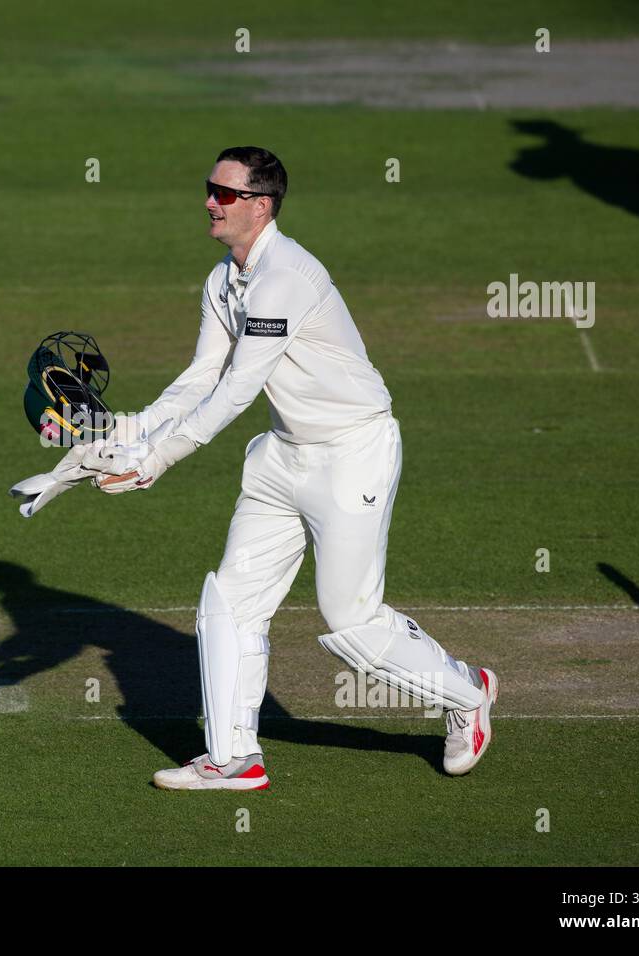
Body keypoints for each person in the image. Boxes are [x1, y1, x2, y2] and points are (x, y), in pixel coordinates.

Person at [94, 146, 497, 790]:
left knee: (352, 621)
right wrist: (127, 433)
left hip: (351, 454)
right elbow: (201, 376)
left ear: (261, 205)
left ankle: (466, 693)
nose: (209, 202)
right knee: (229, 603)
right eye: (208, 189)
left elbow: (237, 390)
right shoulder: (223, 279)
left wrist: (158, 460)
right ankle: (233, 759)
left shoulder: (287, 277)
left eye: (223, 194)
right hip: (282, 455)